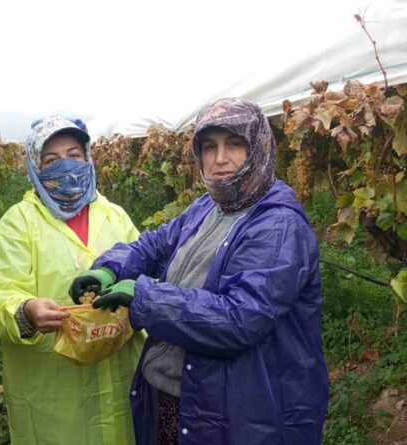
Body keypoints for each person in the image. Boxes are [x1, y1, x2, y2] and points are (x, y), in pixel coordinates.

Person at [69, 98, 329, 444]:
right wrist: (110, 269)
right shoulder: (210, 205)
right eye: (209, 147)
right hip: (183, 397)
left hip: (238, 413)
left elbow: (239, 319)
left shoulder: (277, 226)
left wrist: (146, 296)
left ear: (260, 148)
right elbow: (157, 244)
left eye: (234, 144)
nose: (219, 158)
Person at [0, 116, 145, 444]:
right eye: (51, 160)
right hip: (53, 390)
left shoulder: (115, 216)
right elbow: (4, 293)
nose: (66, 166)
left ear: (88, 159)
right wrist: (26, 310)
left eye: (74, 155)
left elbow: (144, 270)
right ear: (35, 167)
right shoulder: (17, 224)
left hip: (118, 372)